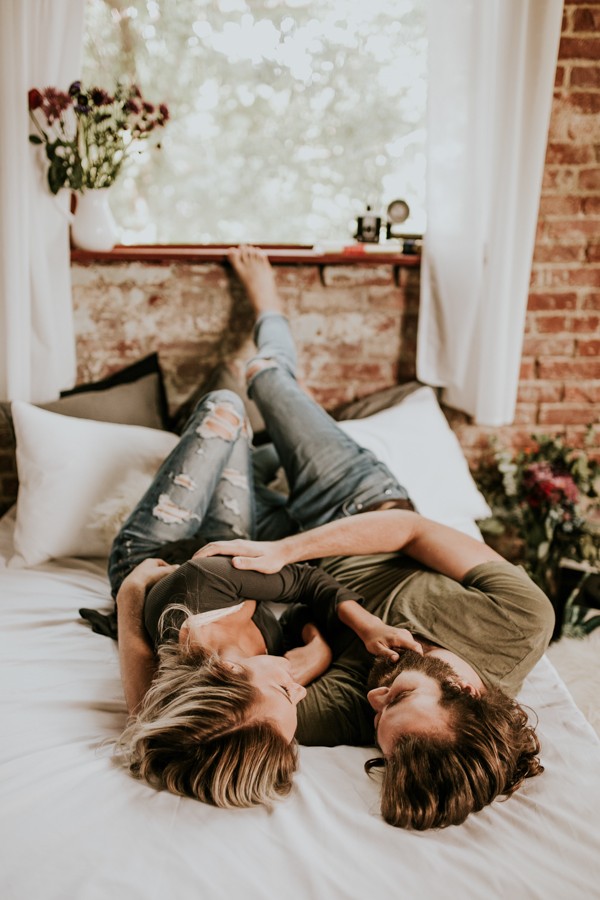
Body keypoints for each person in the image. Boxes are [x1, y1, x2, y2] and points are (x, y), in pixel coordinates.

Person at [190, 246, 556, 830]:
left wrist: (313, 644)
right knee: (264, 380)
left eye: (381, 724)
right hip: (356, 503)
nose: (374, 699)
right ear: (466, 685)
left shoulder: (369, 712)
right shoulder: (521, 621)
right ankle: (268, 311)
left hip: (280, 555)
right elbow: (411, 530)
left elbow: (219, 711)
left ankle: (254, 449)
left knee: (223, 435)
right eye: (401, 695)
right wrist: (288, 552)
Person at [98, 264, 424, 809]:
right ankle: (255, 462)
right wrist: (311, 659)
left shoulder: (199, 606)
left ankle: (242, 425)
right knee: (247, 478)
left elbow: (304, 580)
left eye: (283, 691)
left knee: (228, 411)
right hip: (227, 552)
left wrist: (132, 588)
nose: (300, 693)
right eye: (292, 699)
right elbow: (304, 645)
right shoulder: (234, 696)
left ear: (226, 672)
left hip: (157, 558)